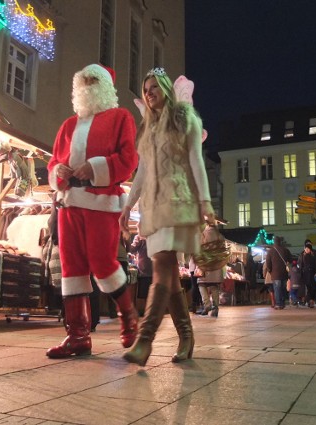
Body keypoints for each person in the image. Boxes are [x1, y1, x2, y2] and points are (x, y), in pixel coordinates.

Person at [119, 67, 214, 366]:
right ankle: (186, 336)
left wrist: (205, 201)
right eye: (145, 89)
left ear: (164, 88)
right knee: (170, 277)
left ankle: (144, 340)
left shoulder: (185, 118)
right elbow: (142, 171)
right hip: (154, 206)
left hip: (180, 201)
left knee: (162, 266)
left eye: (153, 88)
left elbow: (197, 162)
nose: (148, 93)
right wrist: (127, 205)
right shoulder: (147, 129)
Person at [46, 64, 139, 358]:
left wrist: (95, 167)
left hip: (101, 203)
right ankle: (77, 335)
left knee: (103, 262)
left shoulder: (120, 117)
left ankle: (128, 316)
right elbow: (53, 163)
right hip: (68, 203)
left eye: (92, 80)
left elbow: (128, 159)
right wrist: (57, 171)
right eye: (82, 81)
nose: (87, 86)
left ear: (106, 86)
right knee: (71, 269)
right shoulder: (67, 125)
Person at [196, 224, 225, 317]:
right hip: (216, 266)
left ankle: (207, 304)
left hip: (206, 264)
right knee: (214, 285)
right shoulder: (220, 236)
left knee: (201, 284)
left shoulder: (203, 234)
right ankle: (215, 308)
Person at [129, 232, 153, 316]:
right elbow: (131, 249)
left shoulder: (155, 234)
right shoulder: (139, 237)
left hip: (156, 270)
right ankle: (148, 313)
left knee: (154, 293)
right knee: (145, 294)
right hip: (144, 270)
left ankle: (151, 312)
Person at [265, 236, 291, 309]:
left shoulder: (270, 251)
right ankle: (282, 303)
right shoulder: (285, 250)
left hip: (275, 274)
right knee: (283, 289)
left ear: (274, 242)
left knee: (277, 289)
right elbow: (290, 260)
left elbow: (268, 263)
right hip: (284, 273)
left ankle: (278, 304)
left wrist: (270, 271)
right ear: (280, 241)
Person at [298, 242, 316, 308]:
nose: (306, 250)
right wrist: (301, 273)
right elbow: (301, 265)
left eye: (308, 248)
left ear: (310, 249)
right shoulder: (302, 255)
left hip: (312, 274)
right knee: (308, 288)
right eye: (305, 248)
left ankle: (311, 301)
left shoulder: (313, 256)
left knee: (312, 288)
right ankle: (310, 301)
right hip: (306, 274)